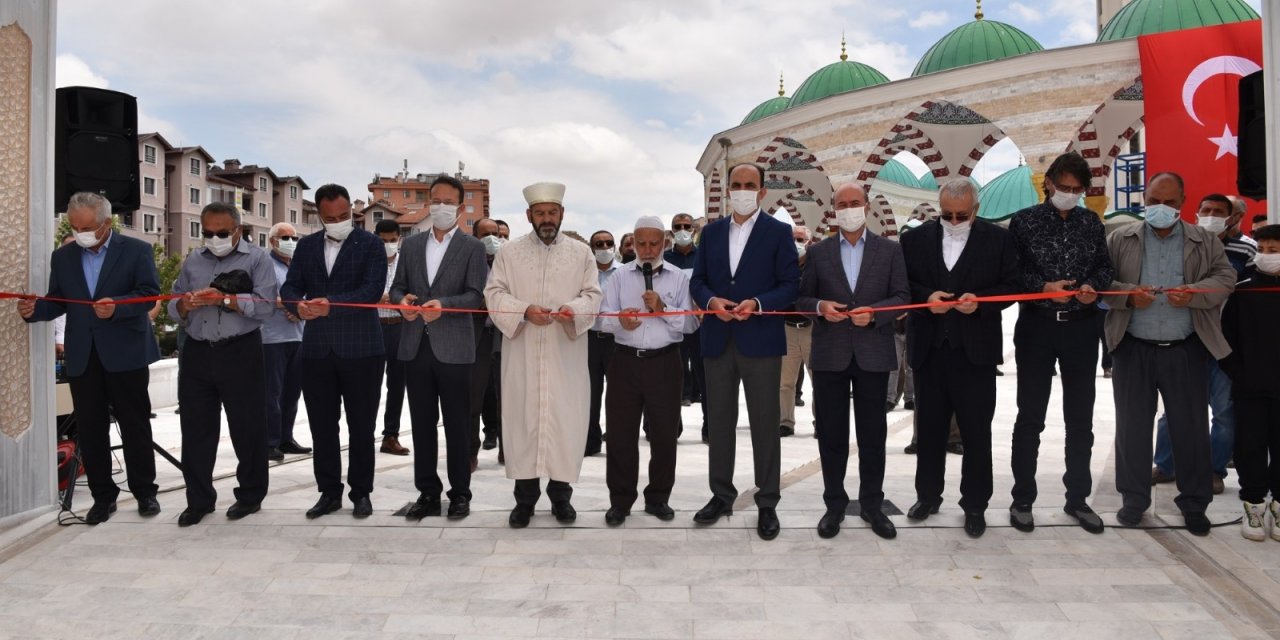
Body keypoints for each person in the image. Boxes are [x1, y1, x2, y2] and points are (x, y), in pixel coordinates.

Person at [1104, 172, 1236, 536]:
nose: (1160, 208)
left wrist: (1194, 292)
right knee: (1132, 429)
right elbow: (1102, 283)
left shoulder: (1204, 240)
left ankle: (1194, 504)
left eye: (1169, 202)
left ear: (1182, 203)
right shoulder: (1120, 238)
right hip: (1133, 347)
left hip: (1185, 348)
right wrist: (1129, 294)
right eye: (1154, 201)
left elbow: (1225, 279)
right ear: (1144, 199)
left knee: (1191, 429)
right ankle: (1133, 500)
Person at [18, 192, 161, 524]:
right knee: (91, 429)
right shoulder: (64, 257)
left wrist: (117, 307)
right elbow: (59, 301)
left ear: (106, 224)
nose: (80, 232)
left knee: (135, 425)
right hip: (83, 356)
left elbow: (149, 294)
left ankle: (145, 493)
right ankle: (102, 497)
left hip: (126, 353)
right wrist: (34, 310)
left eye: (87, 227)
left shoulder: (137, 250)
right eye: (74, 226)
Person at [900, 179, 1020, 538]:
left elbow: (1012, 286)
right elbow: (903, 284)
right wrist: (927, 297)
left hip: (976, 354)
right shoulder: (914, 240)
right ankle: (928, 496)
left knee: (976, 433)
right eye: (947, 215)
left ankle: (975, 505)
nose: (953, 221)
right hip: (930, 351)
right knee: (930, 431)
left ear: (976, 210)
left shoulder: (998, 240)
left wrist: (980, 302)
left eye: (961, 215)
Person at [689, 163, 800, 541]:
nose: (742, 190)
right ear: (727, 190)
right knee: (719, 421)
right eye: (736, 185)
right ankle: (721, 495)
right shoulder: (712, 232)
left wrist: (756, 302)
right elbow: (698, 280)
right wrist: (710, 300)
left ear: (762, 191)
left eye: (749, 185)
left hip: (761, 339)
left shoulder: (778, 232)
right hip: (718, 339)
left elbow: (790, 285)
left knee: (765, 423)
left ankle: (767, 501)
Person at [1006, 151, 1114, 534]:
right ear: (1048, 182)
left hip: (1081, 329)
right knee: (1030, 417)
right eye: (1063, 187)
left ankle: (1078, 499)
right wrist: (1043, 288)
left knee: (1080, 418)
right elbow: (1012, 275)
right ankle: (1022, 499)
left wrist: (1091, 288)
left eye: (1076, 189)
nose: (1069, 194)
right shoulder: (1024, 222)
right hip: (1037, 328)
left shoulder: (1090, 222)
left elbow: (1104, 267)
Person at [484, 182, 602, 528]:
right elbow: (494, 293)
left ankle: (561, 497)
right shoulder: (510, 253)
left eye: (552, 213)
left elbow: (593, 295)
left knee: (564, 422)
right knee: (524, 421)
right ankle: (524, 501)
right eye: (540, 213)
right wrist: (522, 311)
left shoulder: (582, 254)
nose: (547, 219)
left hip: (565, 352)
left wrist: (572, 309)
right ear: (529, 216)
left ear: (562, 214)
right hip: (522, 351)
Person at [797, 183, 909, 540]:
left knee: (872, 435)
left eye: (854, 203)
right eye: (842, 204)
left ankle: (873, 505)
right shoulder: (819, 253)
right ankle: (834, 505)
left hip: (873, 353)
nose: (848, 209)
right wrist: (820, 308)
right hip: (830, 354)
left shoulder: (890, 251)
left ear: (866, 207)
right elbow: (801, 298)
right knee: (831, 434)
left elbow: (903, 297)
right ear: (834, 210)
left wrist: (876, 314)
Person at [281, 183, 387, 519]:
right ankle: (328, 492)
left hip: (362, 349)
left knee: (361, 426)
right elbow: (291, 286)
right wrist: (299, 305)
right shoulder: (307, 246)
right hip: (316, 350)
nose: (337, 221)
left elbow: (371, 290)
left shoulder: (371, 244)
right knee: (322, 427)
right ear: (320, 216)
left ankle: (361, 493)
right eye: (330, 218)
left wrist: (331, 307)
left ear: (352, 215)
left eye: (343, 216)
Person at [168, 202, 276, 526]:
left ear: (238, 231)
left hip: (240, 350)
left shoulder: (258, 259)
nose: (214, 238)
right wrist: (184, 306)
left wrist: (226, 300)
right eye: (208, 233)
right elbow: (172, 305)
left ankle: (250, 495)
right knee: (196, 429)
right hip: (198, 351)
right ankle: (199, 500)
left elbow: (267, 306)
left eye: (222, 233)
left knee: (247, 427)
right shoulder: (193, 261)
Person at [391, 175, 489, 520]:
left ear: (461, 208)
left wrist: (443, 305)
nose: (441, 207)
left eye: (449, 202)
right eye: (436, 200)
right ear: (428, 203)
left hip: (455, 349)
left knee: (459, 425)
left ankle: (460, 493)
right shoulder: (412, 246)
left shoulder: (473, 248)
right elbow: (397, 287)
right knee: (421, 424)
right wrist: (401, 301)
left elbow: (476, 295)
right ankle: (428, 493)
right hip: (416, 346)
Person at [1151, 193, 1255, 494]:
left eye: (1219, 212)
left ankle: (1214, 470)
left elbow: (1247, 299)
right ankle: (1166, 465)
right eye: (1205, 210)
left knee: (1224, 413)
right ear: (1195, 212)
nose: (1211, 215)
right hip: (1186, 340)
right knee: (1172, 408)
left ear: (1232, 218)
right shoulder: (1182, 244)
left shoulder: (1247, 250)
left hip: (1224, 346)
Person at [599, 216, 697, 525]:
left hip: (665, 363)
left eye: (654, 243)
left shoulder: (679, 278)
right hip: (624, 362)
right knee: (619, 435)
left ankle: (658, 498)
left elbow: (692, 323)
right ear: (633, 243)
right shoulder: (619, 277)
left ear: (665, 243)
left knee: (664, 435)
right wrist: (620, 321)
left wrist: (662, 310)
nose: (648, 249)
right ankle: (620, 500)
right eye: (641, 243)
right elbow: (601, 318)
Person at [1219, 224, 1280, 541]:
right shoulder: (1243, 290)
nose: (1269, 256)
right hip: (1249, 387)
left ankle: (1278, 507)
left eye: (1275, 250)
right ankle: (1253, 506)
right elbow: (1225, 336)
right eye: (1264, 250)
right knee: (1250, 447)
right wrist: (1237, 371)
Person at [262, 222, 310, 461]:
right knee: (272, 392)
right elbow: (263, 296)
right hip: (272, 338)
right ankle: (269, 441)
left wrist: (299, 309)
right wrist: (291, 306)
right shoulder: (264, 265)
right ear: (272, 241)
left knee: (292, 392)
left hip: (299, 335)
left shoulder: (299, 265)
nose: (290, 242)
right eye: (284, 237)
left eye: (294, 237)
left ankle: (285, 438)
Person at [663, 212, 707, 441]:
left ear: (694, 230)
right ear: (671, 232)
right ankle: (672, 428)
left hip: (701, 326)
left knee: (706, 379)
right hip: (673, 326)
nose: (683, 230)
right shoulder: (664, 259)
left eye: (687, 226)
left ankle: (710, 428)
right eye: (678, 226)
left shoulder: (704, 257)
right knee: (672, 380)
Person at [374, 219, 410, 456]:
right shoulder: (367, 263)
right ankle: (362, 433)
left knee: (396, 385)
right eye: (383, 240)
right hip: (372, 328)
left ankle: (391, 435)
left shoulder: (406, 264)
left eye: (392, 240)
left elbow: (411, 293)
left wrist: (396, 300)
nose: (388, 244)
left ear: (399, 240)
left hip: (399, 328)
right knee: (368, 385)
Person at [470, 217, 505, 458]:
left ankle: (508, 449)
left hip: (505, 334)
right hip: (476, 333)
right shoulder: (468, 261)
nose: (493, 239)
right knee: (473, 395)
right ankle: (471, 450)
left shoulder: (510, 263)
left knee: (508, 394)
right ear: (475, 237)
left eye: (497, 234)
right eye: (486, 234)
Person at [586, 230, 620, 456]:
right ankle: (591, 441)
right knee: (590, 392)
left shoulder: (624, 273)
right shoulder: (583, 274)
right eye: (599, 244)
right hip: (588, 340)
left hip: (616, 341)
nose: (605, 247)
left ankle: (618, 440)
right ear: (592, 248)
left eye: (609, 243)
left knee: (618, 394)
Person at [779, 225, 814, 438]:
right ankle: (785, 422)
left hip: (811, 329)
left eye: (800, 239)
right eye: (793, 239)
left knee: (818, 380)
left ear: (809, 242)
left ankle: (821, 421)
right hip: (787, 329)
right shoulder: (782, 266)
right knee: (785, 382)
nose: (796, 243)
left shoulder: (816, 266)